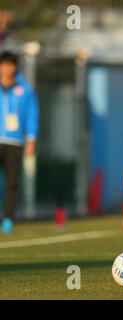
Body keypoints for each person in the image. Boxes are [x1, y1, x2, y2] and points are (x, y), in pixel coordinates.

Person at [0, 51, 39, 234]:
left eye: (11, 64)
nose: (8, 68)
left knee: (12, 183)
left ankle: (8, 219)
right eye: (4, 64)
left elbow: (32, 115)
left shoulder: (25, 89)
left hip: (14, 142)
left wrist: (31, 138)